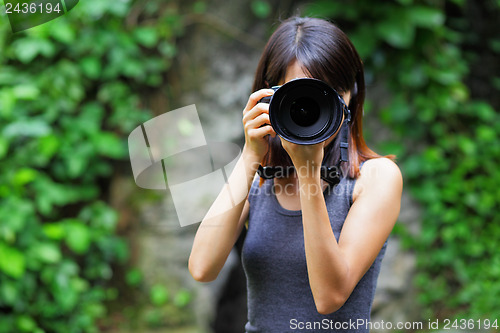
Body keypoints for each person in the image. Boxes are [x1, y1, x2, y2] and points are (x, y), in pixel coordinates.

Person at [188, 16, 403, 332]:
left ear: (349, 97)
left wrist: (308, 174)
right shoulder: (260, 177)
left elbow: (329, 297)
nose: (312, 110)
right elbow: (202, 267)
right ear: (270, 98)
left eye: (325, 96)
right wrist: (250, 154)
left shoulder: (375, 178)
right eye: (300, 97)